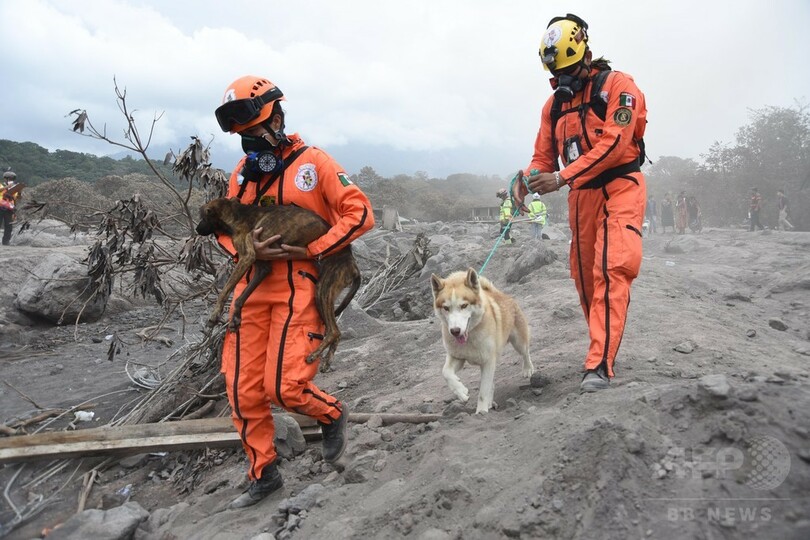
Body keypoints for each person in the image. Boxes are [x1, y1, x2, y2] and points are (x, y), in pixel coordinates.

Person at [212, 75, 375, 508]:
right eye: (242, 136)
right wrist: (243, 248)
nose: (250, 143)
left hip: (298, 288)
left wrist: (313, 248)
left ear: (278, 119)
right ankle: (262, 473)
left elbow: (360, 214)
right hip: (250, 290)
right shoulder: (241, 178)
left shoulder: (314, 164)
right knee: (242, 389)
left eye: (255, 131)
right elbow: (223, 231)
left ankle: (332, 414)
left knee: (284, 387)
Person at [515, 13, 647, 392]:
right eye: (558, 76)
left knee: (612, 267)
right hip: (581, 198)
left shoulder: (619, 87)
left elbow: (615, 143)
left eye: (571, 71)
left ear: (586, 54)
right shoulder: (553, 107)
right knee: (586, 278)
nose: (565, 82)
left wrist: (560, 177)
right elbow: (543, 157)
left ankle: (600, 365)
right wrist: (526, 180)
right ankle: (600, 347)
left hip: (620, 186)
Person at [0, 171, 19, 246]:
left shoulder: (14, 187)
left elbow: (16, 198)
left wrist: (19, 191)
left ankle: (6, 241)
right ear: (5, 179)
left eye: (12, 179)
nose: (11, 180)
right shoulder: (1, 185)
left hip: (9, 209)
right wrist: (7, 187)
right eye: (9, 178)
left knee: (8, 226)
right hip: (0, 206)